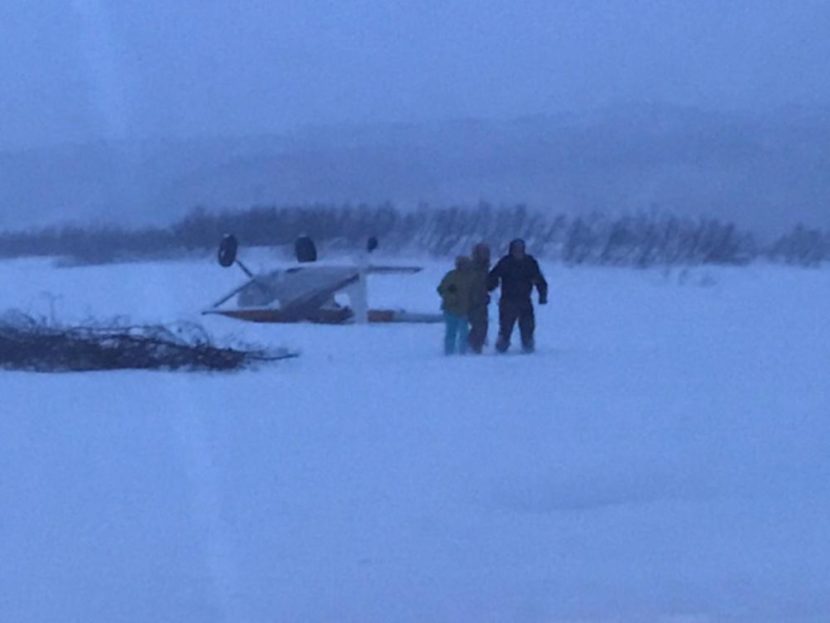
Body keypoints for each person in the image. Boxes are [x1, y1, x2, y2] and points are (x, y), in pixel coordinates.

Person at [487, 239, 548, 353]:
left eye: (520, 250)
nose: (518, 252)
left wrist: (542, 295)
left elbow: (539, 279)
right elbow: (493, 276)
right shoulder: (505, 262)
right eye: (516, 250)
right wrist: (489, 286)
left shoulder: (530, 262)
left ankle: (528, 346)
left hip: (525, 299)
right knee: (506, 326)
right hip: (508, 300)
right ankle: (502, 346)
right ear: (511, 250)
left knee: (528, 326)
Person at [437, 256, 475, 355]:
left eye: (466, 264)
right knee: (451, 332)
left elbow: (475, 292)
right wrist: (449, 294)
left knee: (464, 333)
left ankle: (463, 352)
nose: (464, 266)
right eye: (461, 264)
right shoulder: (450, 275)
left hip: (464, 310)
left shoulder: (472, 277)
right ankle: (448, 352)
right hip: (450, 309)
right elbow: (441, 289)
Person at [468, 242, 491, 354]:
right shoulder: (471, 267)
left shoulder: (485, 267)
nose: (485, 255)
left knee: (482, 324)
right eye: (482, 252)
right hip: (470, 300)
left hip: (482, 301)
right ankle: (474, 346)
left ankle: (476, 345)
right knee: (478, 325)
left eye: (486, 253)